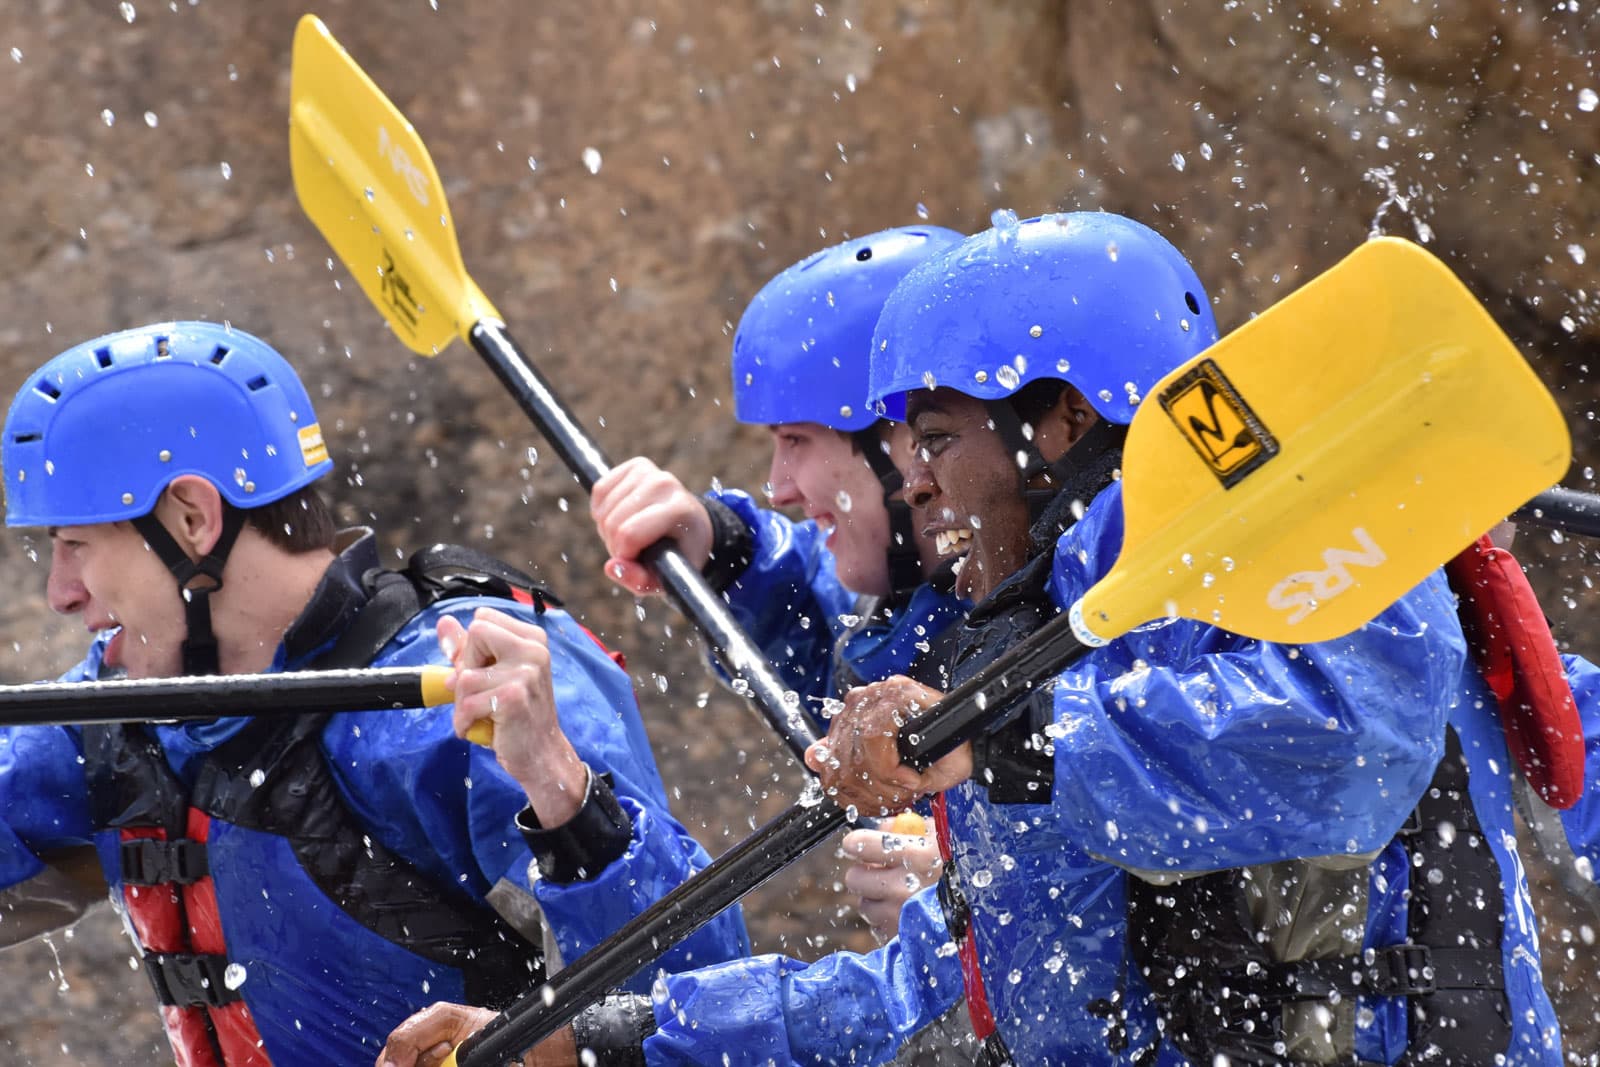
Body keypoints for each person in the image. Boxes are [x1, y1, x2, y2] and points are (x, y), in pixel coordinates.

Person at [380, 210, 1559, 1066]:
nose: (915, 479)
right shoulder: (1028, 656)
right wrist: (593, 1036)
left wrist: (1002, 742)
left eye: (935, 436)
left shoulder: (1317, 557)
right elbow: (930, 997)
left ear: (1062, 418)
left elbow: (1349, 750)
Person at [0, 322, 748, 1066]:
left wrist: (562, 793)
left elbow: (705, 1012)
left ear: (192, 518)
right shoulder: (121, 708)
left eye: (76, 546)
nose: (61, 593)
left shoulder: (461, 692)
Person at [588, 225, 966, 942]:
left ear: (906, 441)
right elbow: (841, 646)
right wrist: (723, 550)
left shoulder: (1094, 623)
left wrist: (977, 901)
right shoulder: (921, 605)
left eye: (797, 441)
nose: (778, 486)